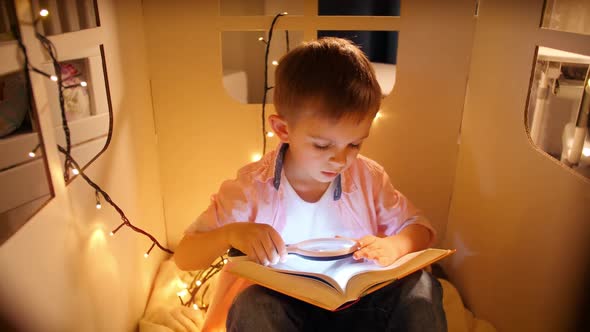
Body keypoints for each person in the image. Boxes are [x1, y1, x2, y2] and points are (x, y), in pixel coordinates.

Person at [174, 37, 446, 331]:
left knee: (422, 287)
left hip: (361, 307)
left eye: (354, 144)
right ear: (282, 129)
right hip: (288, 313)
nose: (340, 160)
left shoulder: (368, 178)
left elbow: (421, 230)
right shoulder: (252, 188)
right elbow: (185, 256)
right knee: (252, 306)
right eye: (321, 145)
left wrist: (396, 245)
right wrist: (230, 234)